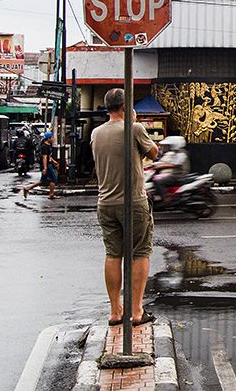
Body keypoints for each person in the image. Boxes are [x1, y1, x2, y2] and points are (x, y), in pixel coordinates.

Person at [90, 88, 159, 327]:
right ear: (125, 106)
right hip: (133, 202)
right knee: (140, 252)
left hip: (105, 202)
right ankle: (137, 311)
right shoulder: (134, 128)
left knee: (112, 254)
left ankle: (115, 310)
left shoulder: (96, 133)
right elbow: (154, 152)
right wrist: (134, 121)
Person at [151, 136, 189, 203]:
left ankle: (165, 198)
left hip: (178, 177)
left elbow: (174, 164)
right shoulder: (176, 152)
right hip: (175, 175)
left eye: (169, 145)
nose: (168, 147)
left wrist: (160, 166)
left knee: (158, 181)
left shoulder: (181, 153)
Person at [22, 131, 59, 200]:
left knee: (42, 181)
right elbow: (44, 158)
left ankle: (27, 188)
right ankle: (51, 194)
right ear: (48, 138)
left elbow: (48, 156)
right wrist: (45, 168)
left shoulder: (48, 146)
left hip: (47, 164)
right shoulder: (45, 147)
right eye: (52, 137)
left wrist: (54, 162)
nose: (53, 139)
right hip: (47, 165)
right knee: (54, 179)